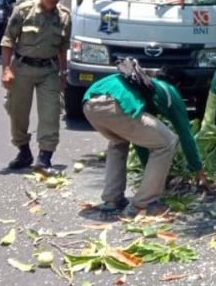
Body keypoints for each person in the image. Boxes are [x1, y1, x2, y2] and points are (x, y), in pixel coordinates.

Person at [82, 65, 209, 216]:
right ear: (179, 85)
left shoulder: (145, 86)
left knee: (119, 143)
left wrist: (151, 171)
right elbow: (185, 135)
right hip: (116, 102)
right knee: (167, 142)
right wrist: (199, 171)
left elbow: (139, 141)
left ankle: (112, 199)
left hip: (89, 103)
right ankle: (145, 204)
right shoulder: (171, 91)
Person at [1, 0, 72, 172]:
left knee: (51, 114)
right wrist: (6, 70)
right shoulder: (24, 11)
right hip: (22, 68)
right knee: (17, 114)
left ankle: (45, 157)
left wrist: (64, 73)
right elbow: (8, 41)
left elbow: (62, 48)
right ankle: (23, 152)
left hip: (49, 70)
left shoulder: (64, 16)